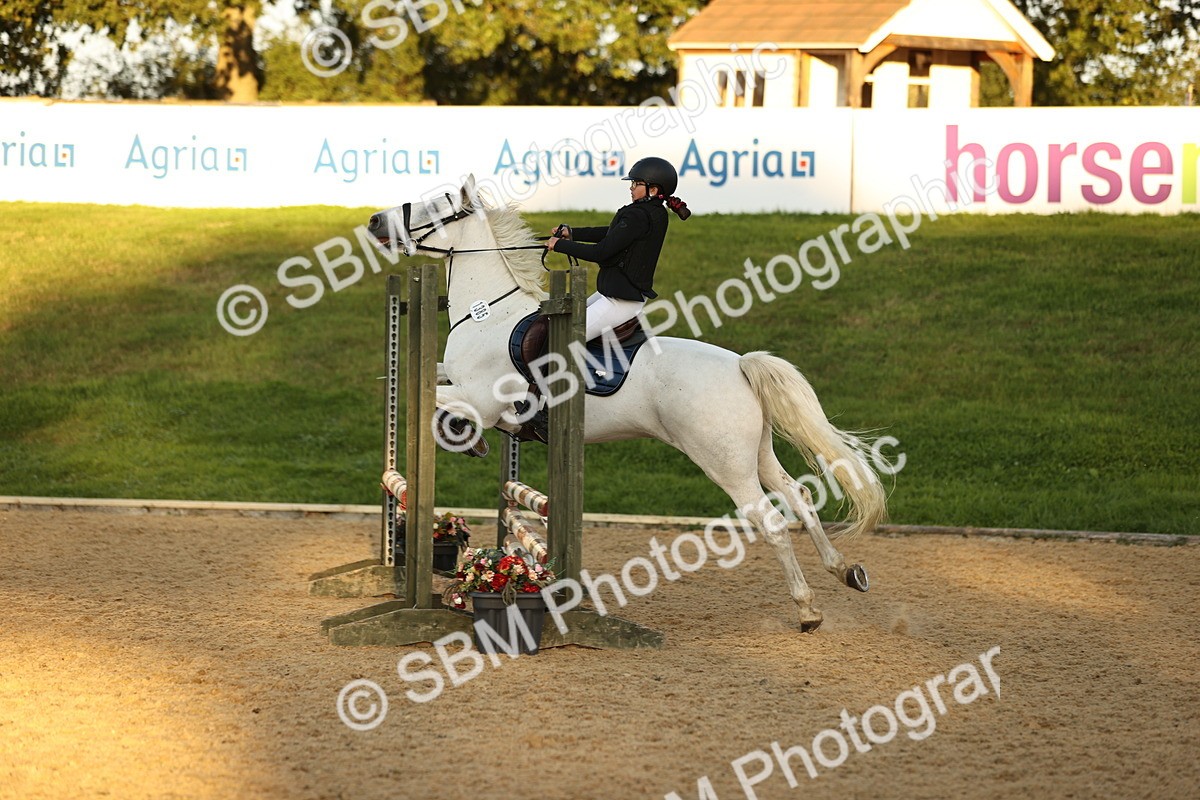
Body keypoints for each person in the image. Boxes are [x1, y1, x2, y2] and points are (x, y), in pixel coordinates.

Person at [546, 156, 690, 342]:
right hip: (615, 293)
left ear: (652, 190)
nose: (631, 188)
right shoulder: (654, 211)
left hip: (620, 301)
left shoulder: (638, 215)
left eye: (636, 184)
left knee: (560, 339)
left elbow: (600, 252)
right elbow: (613, 234)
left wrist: (560, 245)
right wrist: (572, 233)